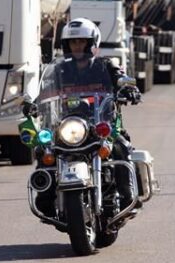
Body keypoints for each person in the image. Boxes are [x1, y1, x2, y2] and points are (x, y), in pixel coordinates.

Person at [36, 18, 141, 216]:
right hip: (67, 126)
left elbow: (120, 78)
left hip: (100, 124)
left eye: (82, 41)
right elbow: (44, 92)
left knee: (120, 146)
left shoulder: (105, 66)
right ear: (66, 45)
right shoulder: (59, 70)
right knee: (44, 151)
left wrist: (129, 89)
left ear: (92, 43)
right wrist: (35, 103)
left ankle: (129, 196)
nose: (77, 46)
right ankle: (45, 200)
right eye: (73, 42)